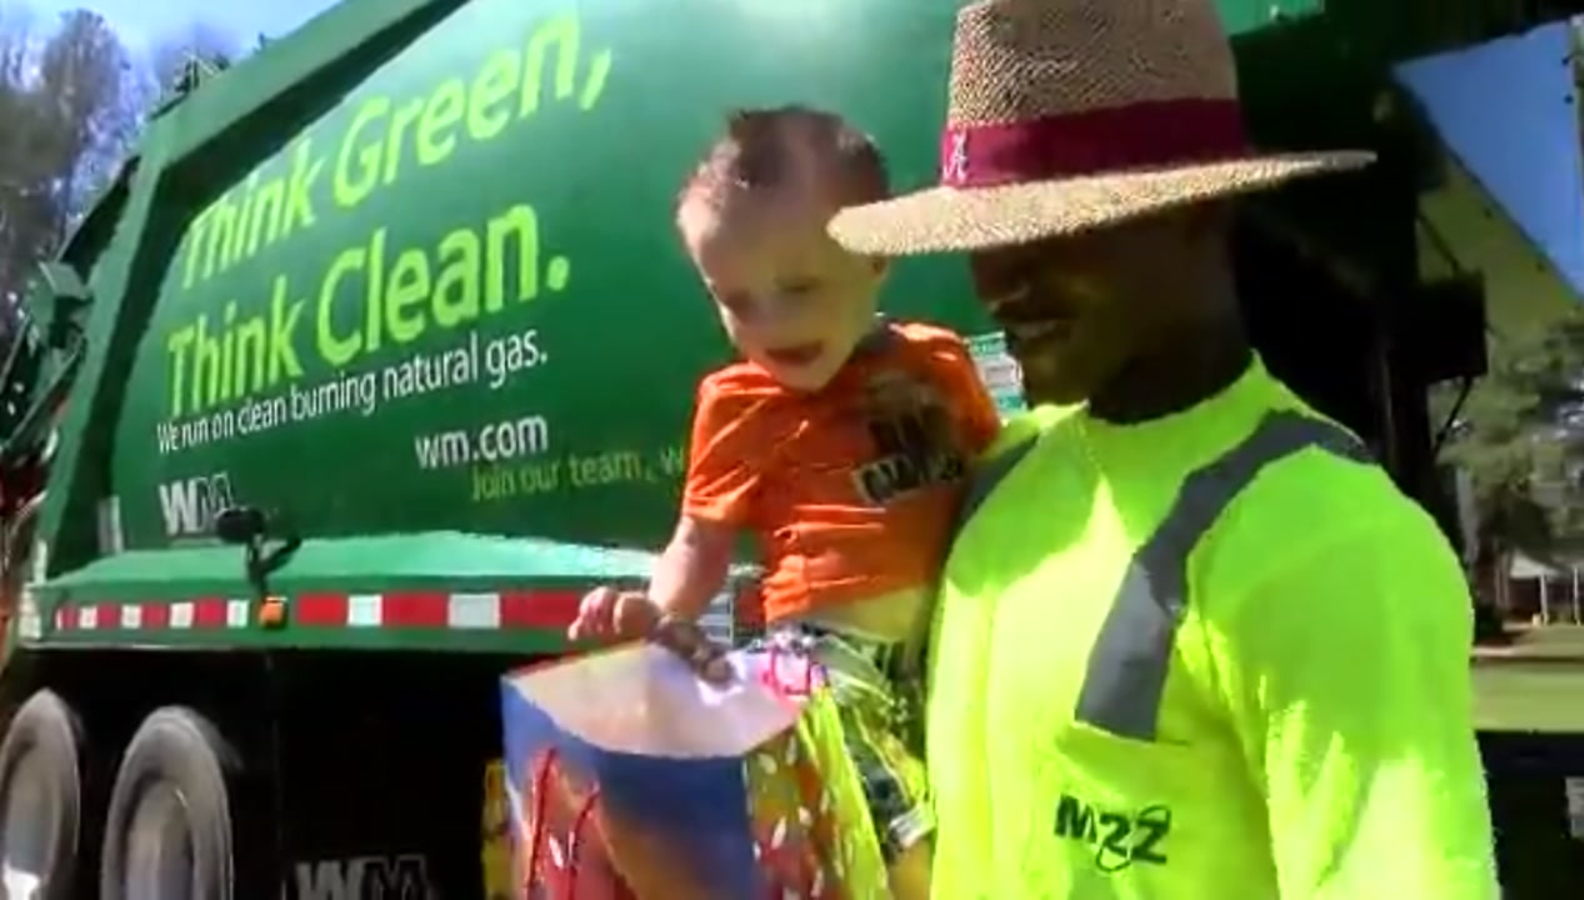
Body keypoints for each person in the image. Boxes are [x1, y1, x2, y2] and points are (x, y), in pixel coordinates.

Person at [826, 0, 1500, 898]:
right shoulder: (1003, 477)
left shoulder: (1331, 547)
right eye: (983, 235)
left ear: (1201, 211)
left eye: (1054, 224)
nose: (1000, 283)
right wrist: (696, 692)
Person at [568, 105, 1002, 898]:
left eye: (799, 286)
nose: (771, 325)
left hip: (946, 649)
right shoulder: (737, 403)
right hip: (818, 656)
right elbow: (698, 541)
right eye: (735, 301)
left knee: (969, 807)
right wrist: (656, 613)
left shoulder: (937, 364)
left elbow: (993, 481)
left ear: (878, 257)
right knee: (901, 838)